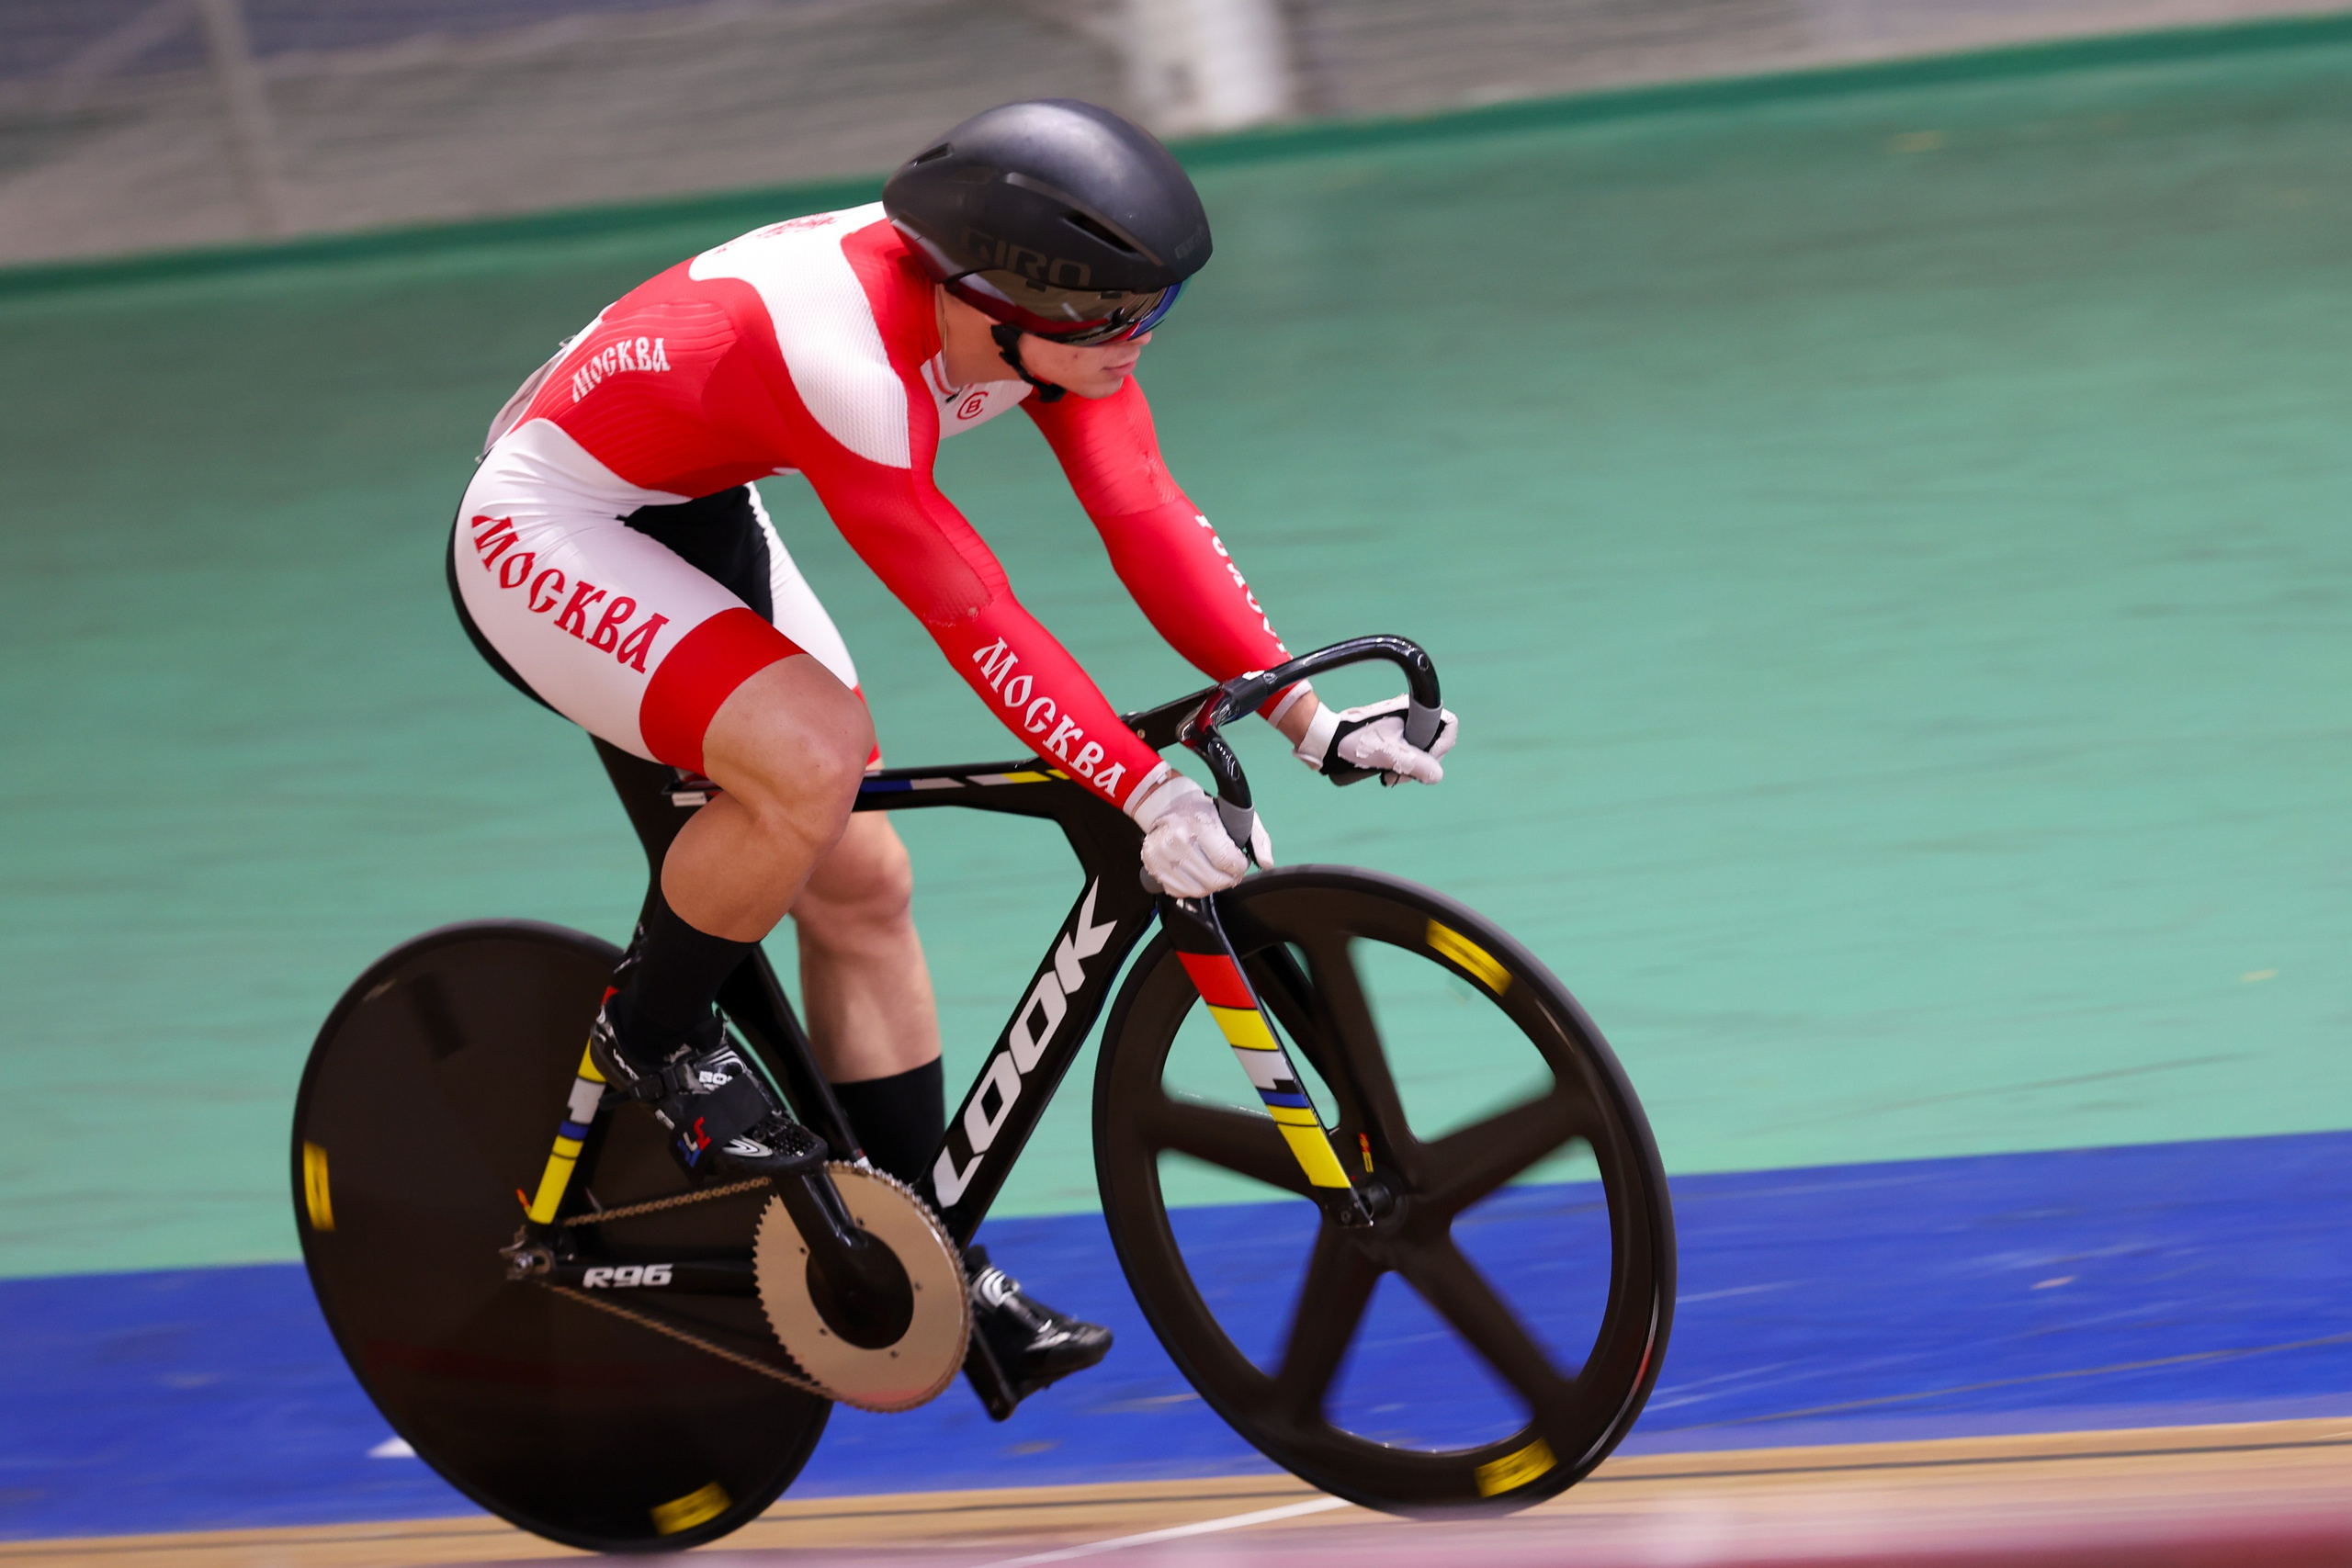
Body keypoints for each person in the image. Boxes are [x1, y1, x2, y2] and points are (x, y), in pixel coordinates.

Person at [447, 98, 1457, 1404]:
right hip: (552, 525)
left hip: (697, 503)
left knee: (863, 882)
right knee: (812, 757)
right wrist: (1141, 789)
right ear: (992, 301)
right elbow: (973, 616)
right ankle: (655, 1033)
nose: (1134, 342)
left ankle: (918, 1250)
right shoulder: (849, 362)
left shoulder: (1053, 328)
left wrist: (1307, 718)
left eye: (1153, 310)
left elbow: (1144, 514)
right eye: (1108, 318)